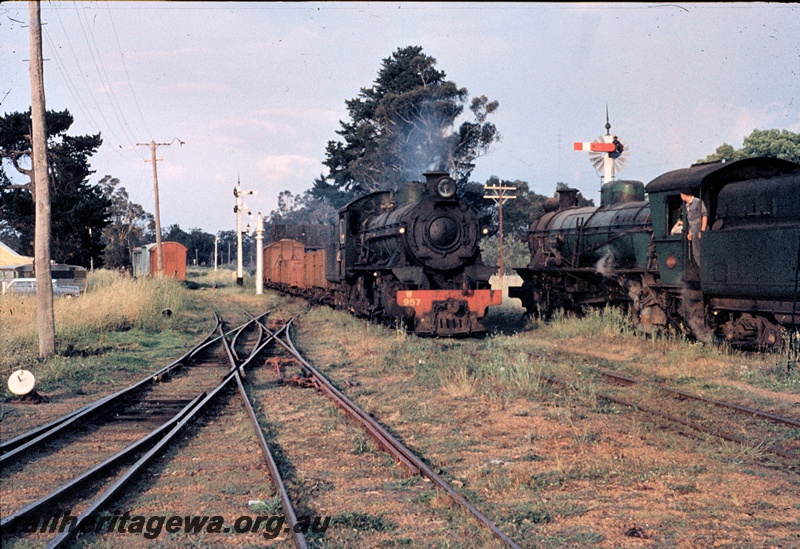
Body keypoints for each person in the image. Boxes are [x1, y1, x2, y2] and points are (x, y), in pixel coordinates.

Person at [679, 187, 708, 267]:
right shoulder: (687, 206)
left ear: (683, 195)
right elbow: (691, 220)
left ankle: (704, 269)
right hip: (693, 229)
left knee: (699, 252)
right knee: (696, 253)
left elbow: (704, 215)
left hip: (699, 228)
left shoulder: (698, 202)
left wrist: (702, 230)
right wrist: (690, 232)